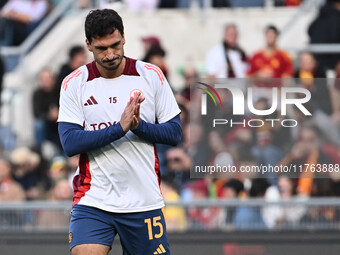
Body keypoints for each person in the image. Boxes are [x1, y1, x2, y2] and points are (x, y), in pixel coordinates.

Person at [57, 9, 181, 255]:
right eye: (102, 48)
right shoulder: (75, 83)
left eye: (115, 45)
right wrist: (119, 128)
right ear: (89, 45)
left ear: (124, 37)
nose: (111, 54)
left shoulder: (151, 75)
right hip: (94, 199)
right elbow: (69, 143)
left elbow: (174, 133)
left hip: (143, 200)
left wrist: (138, 126)